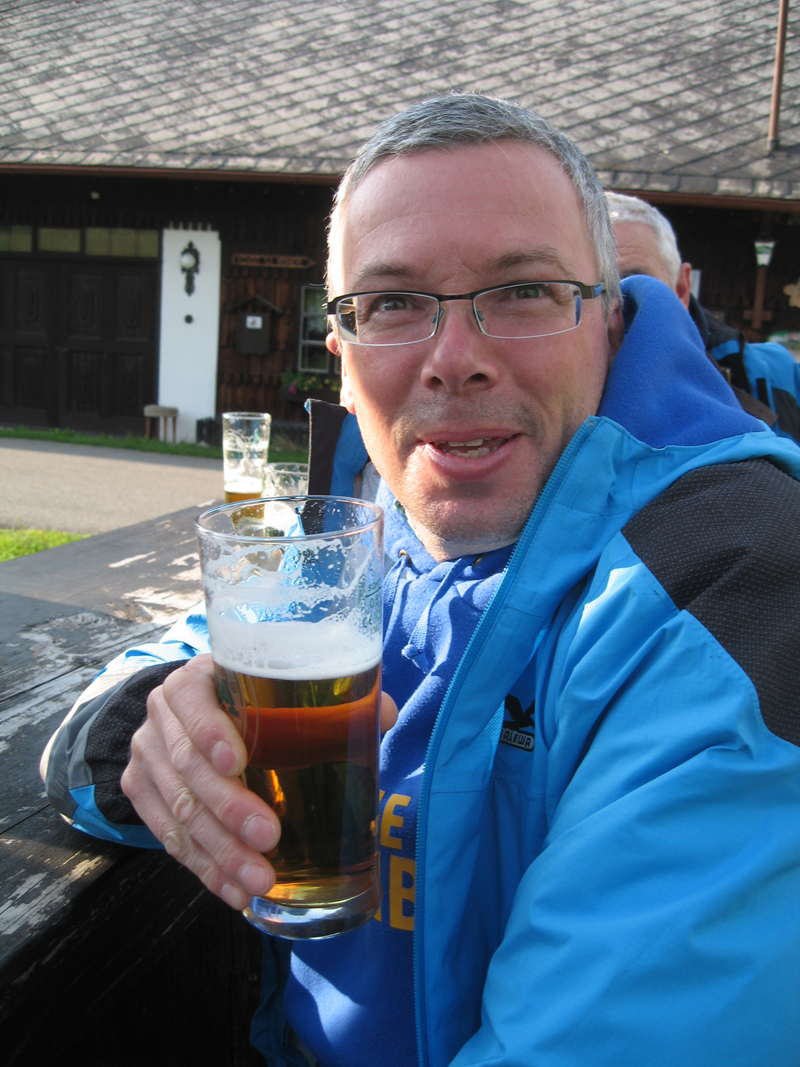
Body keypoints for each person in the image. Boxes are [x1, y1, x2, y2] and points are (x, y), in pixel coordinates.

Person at [41, 94, 800, 1067]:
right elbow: (82, 752)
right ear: (342, 360)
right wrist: (155, 732)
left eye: (522, 290)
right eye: (393, 303)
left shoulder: (732, 581)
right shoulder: (370, 527)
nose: (454, 360)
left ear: (609, 324)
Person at [607, 190, 800, 442]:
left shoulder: (779, 378)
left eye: (632, 283)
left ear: (681, 289)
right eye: (594, 286)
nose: (609, 308)